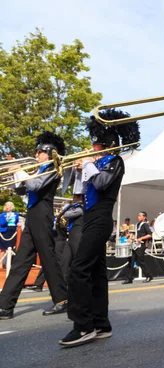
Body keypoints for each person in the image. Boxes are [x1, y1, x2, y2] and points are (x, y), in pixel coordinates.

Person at [59, 108, 139, 347]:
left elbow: (103, 184)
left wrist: (89, 166)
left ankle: (82, 325)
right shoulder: (97, 163)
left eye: (94, 143)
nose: (91, 147)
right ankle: (101, 324)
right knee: (95, 273)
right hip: (91, 216)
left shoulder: (114, 162)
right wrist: (77, 171)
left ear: (104, 143)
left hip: (102, 218)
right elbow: (79, 194)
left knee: (78, 269)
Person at [0, 132, 69, 320]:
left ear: (48, 152)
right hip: (32, 214)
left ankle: (62, 299)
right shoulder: (39, 169)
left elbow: (35, 185)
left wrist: (20, 170)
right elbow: (22, 188)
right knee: (21, 260)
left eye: (39, 151)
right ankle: (5, 306)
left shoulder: (52, 168)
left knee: (47, 257)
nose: (36, 154)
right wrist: (14, 171)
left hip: (42, 214)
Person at [122, 212, 153, 284]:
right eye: (138, 216)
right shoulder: (137, 225)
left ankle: (149, 276)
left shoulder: (145, 225)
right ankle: (129, 278)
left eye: (140, 216)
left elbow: (150, 235)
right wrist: (130, 236)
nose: (138, 217)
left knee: (140, 261)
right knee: (131, 261)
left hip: (141, 245)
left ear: (144, 217)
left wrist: (141, 238)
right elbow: (136, 235)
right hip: (135, 245)